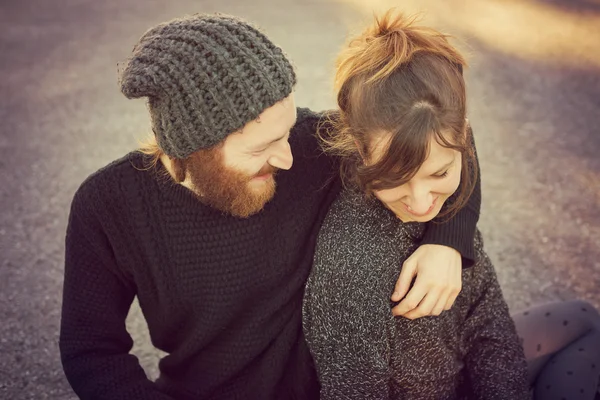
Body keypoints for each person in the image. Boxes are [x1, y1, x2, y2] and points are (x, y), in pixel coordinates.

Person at [59, 13, 483, 400]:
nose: (287, 157)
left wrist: (448, 240)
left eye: (287, 129)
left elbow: (437, 131)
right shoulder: (107, 207)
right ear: (193, 149)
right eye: (263, 147)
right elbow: (92, 351)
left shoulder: (310, 146)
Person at [302, 10, 600, 400]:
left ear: (464, 140)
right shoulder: (351, 260)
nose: (423, 202)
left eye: (439, 174)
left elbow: (487, 323)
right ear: (360, 148)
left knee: (583, 319)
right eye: (396, 179)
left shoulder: (453, 201)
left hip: (460, 377)